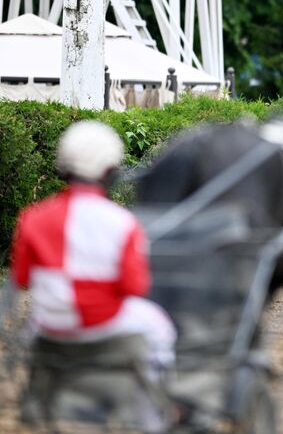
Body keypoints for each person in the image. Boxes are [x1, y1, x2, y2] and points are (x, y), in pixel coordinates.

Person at [10, 120, 176, 430]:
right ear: (109, 171)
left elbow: (21, 279)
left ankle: (39, 397)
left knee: (33, 319)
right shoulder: (123, 222)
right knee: (161, 327)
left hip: (47, 326)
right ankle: (154, 416)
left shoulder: (32, 217)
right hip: (102, 324)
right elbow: (135, 287)